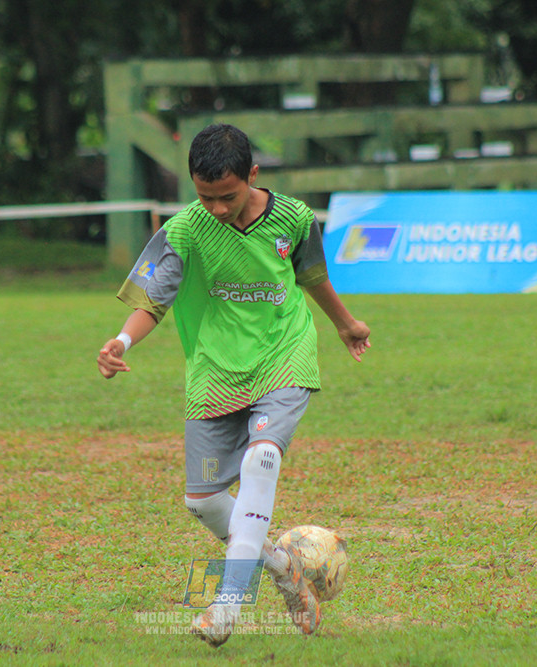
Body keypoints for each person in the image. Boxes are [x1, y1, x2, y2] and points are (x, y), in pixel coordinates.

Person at [96, 123, 370, 647]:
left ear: (252, 175)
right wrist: (121, 344)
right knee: (201, 500)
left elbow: (313, 276)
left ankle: (226, 607)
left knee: (261, 459)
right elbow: (153, 300)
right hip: (216, 372)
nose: (217, 208)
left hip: (282, 357)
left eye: (228, 195)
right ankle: (284, 567)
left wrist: (344, 323)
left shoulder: (294, 218)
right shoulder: (184, 230)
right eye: (205, 196)